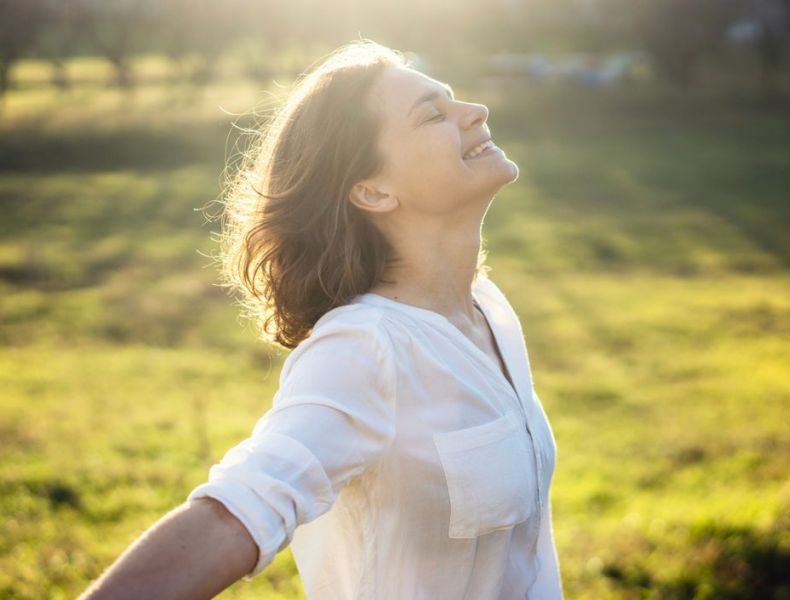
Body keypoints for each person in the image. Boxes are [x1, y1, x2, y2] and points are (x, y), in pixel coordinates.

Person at [79, 39, 562, 599]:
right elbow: (242, 509)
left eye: (452, 100)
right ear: (373, 190)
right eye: (433, 113)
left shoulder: (489, 310)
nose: (474, 112)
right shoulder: (365, 348)